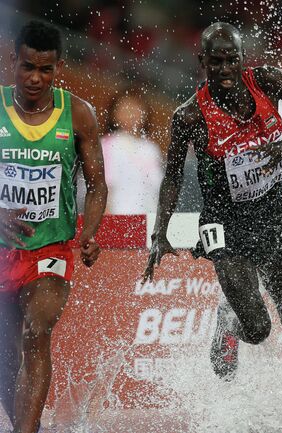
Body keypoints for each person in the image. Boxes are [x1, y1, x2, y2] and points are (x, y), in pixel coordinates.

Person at [141, 23, 282, 394]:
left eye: (231, 61)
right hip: (226, 226)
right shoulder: (189, 116)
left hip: (272, 215)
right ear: (202, 61)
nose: (224, 70)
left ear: (242, 59)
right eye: (215, 62)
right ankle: (230, 318)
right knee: (259, 329)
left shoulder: (267, 81)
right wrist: (160, 234)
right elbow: (172, 178)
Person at [0, 21, 107, 433]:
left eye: (46, 70)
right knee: (7, 360)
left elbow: (97, 185)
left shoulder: (78, 112)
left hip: (51, 249)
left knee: (36, 331)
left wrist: (90, 232)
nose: (35, 78)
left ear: (58, 68)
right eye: (28, 67)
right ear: (13, 61)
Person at [102, 91, 164, 214]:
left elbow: (158, 188)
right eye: (125, 108)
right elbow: (103, 188)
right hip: (121, 217)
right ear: (114, 114)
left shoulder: (151, 148)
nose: (131, 114)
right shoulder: (107, 144)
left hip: (149, 218)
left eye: (135, 108)